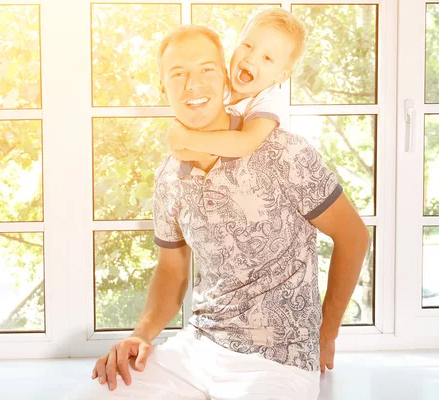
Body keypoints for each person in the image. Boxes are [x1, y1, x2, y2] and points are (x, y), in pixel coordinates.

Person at [84, 24, 369, 400]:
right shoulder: (169, 176)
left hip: (280, 359)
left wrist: (327, 333)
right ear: (162, 87)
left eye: (206, 70)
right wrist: (141, 334)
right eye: (178, 74)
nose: (193, 85)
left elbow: (354, 236)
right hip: (197, 349)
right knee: (98, 395)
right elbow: (172, 271)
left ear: (224, 79)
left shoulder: (283, 151)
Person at [167, 8, 306, 160]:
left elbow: (244, 144)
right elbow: (185, 144)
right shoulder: (219, 84)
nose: (251, 58)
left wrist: (186, 138)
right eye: (248, 46)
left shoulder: (269, 101)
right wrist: (178, 140)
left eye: (267, 58)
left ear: (281, 75)